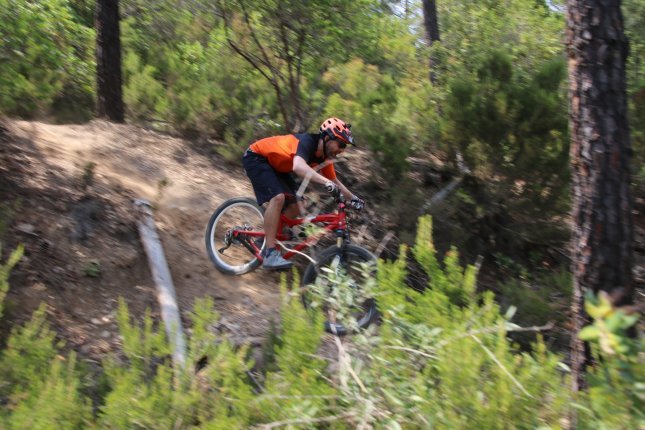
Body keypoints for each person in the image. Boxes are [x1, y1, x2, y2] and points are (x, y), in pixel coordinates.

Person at [242, 117, 365, 270]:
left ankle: (265, 242)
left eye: (344, 146)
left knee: (298, 205)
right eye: (341, 144)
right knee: (278, 198)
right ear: (327, 137)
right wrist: (326, 183)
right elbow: (298, 166)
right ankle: (270, 253)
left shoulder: (324, 157)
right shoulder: (308, 142)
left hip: (277, 168)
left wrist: (354, 199)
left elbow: (336, 182)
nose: (342, 150)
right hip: (257, 157)